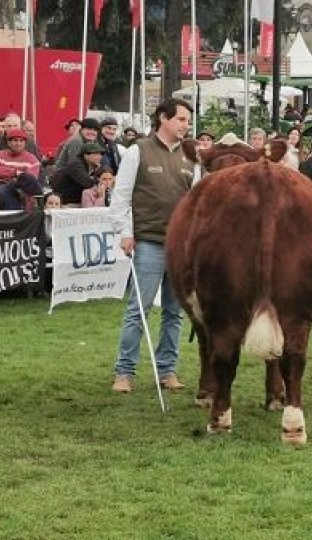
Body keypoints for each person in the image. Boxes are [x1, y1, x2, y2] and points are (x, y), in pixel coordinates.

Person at [109, 98, 194, 393]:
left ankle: (167, 370)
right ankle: (124, 371)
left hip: (181, 247)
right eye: (181, 119)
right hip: (149, 242)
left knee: (175, 312)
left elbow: (195, 202)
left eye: (187, 120)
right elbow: (121, 196)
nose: (186, 125)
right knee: (139, 309)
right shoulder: (138, 151)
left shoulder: (190, 156)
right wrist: (125, 232)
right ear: (164, 118)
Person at [57, 142, 104, 207]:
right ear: (86, 155)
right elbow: (88, 183)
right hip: (67, 203)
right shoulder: (76, 164)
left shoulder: (91, 165)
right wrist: (100, 181)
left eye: (100, 154)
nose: (100, 157)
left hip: (77, 201)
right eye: (96, 154)